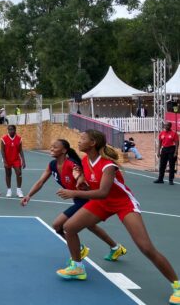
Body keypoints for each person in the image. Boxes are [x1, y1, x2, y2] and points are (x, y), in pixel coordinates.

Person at [55, 129, 179, 305]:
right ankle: (77, 267)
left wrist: (73, 192)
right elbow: (92, 183)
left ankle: (178, 286)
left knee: (145, 247)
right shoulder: (85, 160)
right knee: (69, 227)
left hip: (123, 203)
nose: (79, 141)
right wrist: (81, 179)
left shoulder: (108, 165)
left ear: (93, 143)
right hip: (102, 203)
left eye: (83, 139)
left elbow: (103, 192)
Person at [21, 139, 126, 262]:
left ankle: (79, 251)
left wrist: (79, 177)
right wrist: (29, 195)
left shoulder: (72, 164)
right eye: (51, 146)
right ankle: (116, 247)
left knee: (57, 225)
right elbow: (40, 182)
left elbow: (81, 174)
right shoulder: (52, 165)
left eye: (55, 147)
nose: (52, 148)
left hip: (86, 199)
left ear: (64, 150)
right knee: (91, 226)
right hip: (78, 200)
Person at [1, 125, 26, 198]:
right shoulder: (4, 139)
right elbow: (2, 151)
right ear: (7, 130)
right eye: (9, 129)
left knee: (19, 173)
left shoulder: (19, 139)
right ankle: (9, 190)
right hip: (7, 159)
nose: (11, 131)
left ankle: (19, 190)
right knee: (8, 174)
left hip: (16, 159)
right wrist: (5, 161)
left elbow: (20, 150)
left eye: (12, 129)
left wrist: (23, 160)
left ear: (15, 130)